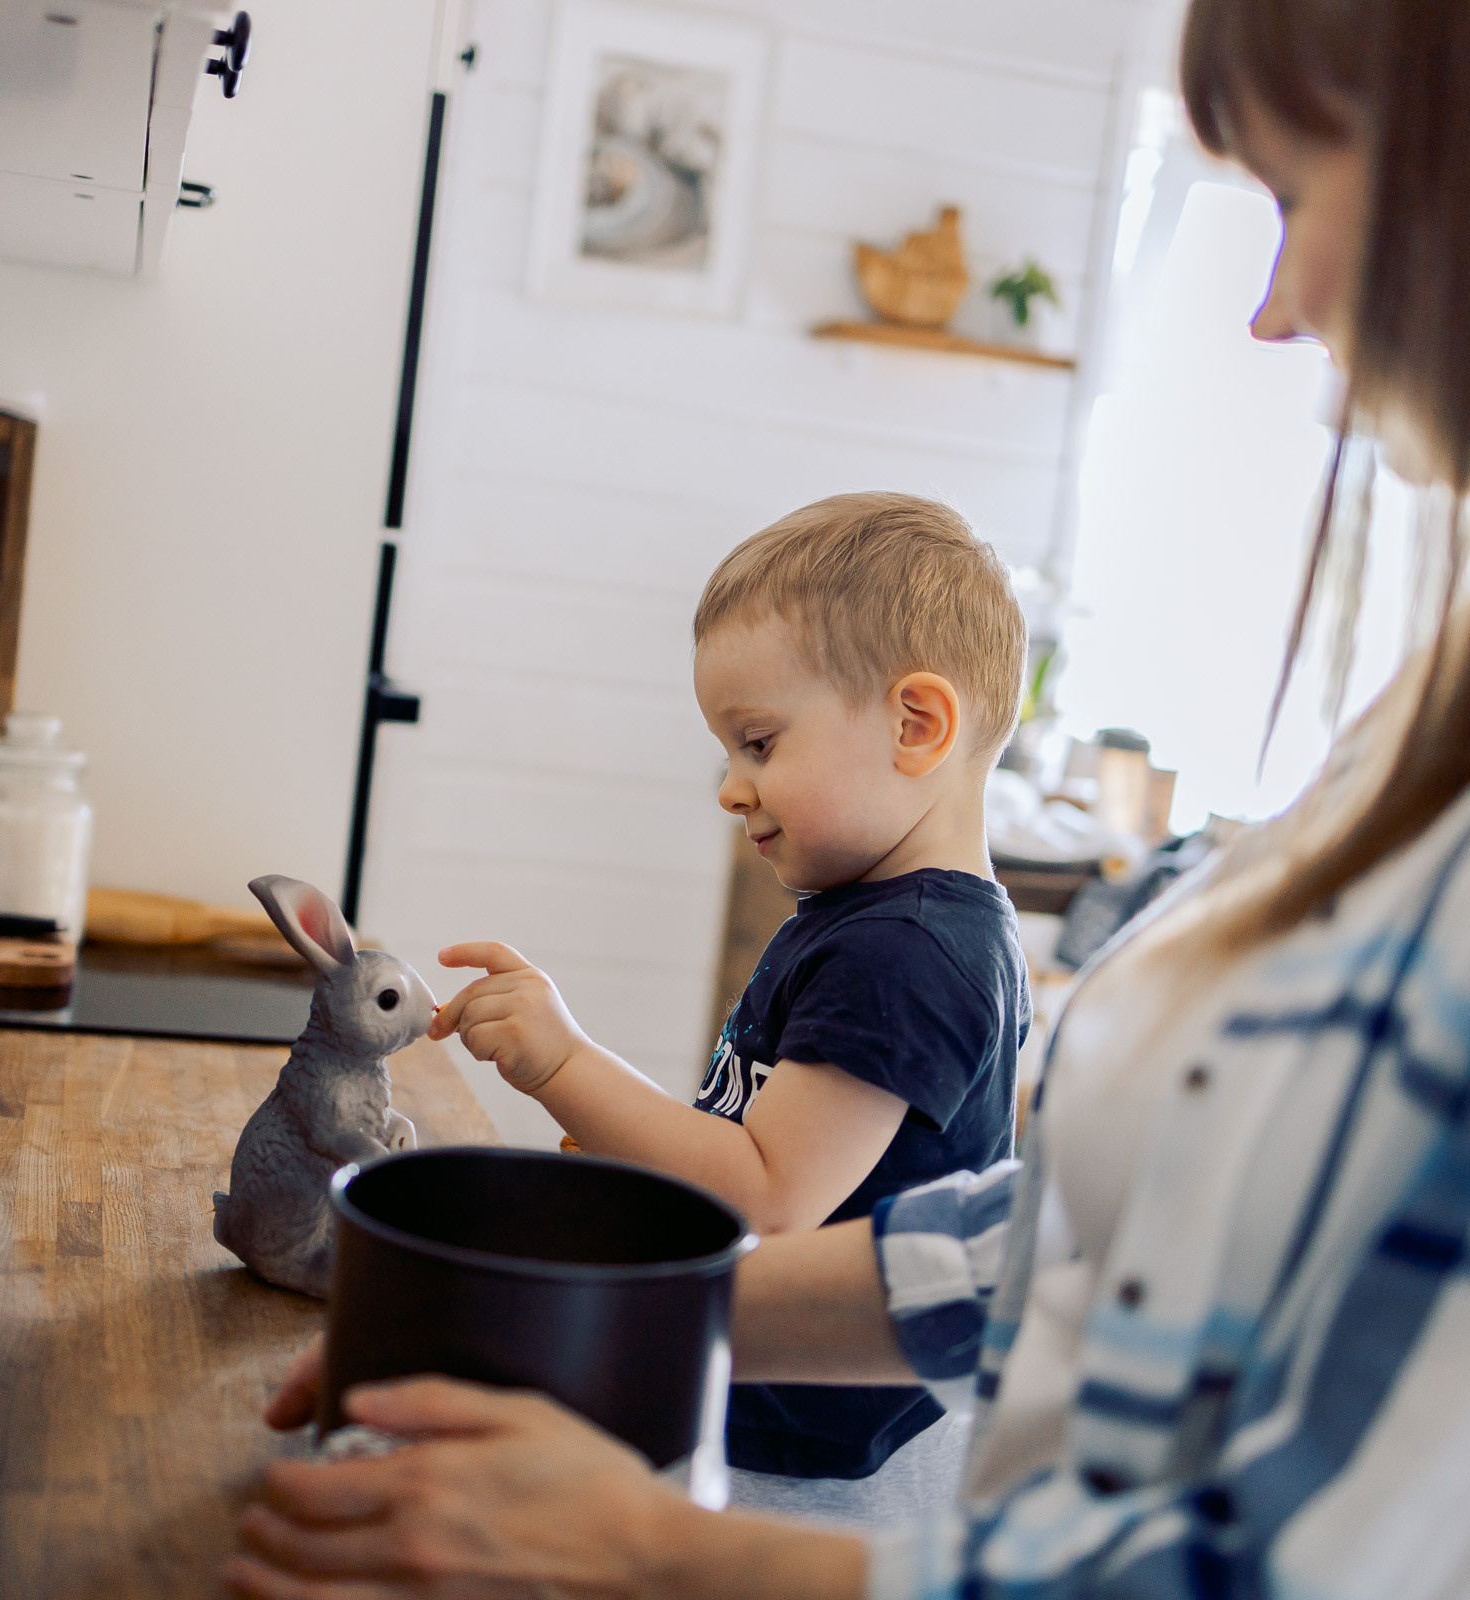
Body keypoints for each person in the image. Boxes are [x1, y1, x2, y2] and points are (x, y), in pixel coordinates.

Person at [225, 0, 1470, 1594]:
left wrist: (655, 1555)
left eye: (1302, 189)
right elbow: (1120, 1233)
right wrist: (564, 1315)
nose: (1278, 308)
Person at [423, 494, 1032, 1525]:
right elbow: (763, 1143)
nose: (730, 788)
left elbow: (767, 1196)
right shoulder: (875, 920)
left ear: (915, 724)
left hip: (816, 1461)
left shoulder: (907, 954)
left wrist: (564, 1061)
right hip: (790, 1413)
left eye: (757, 742)